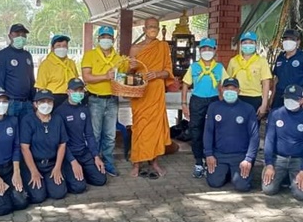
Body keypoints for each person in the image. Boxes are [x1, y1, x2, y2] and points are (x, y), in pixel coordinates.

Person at [129, 17, 174, 178]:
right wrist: (131, 67)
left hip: (156, 90)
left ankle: (154, 162)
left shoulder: (162, 46)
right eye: (150, 27)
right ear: (144, 29)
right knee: (139, 127)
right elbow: (128, 74)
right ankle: (136, 163)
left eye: (155, 27)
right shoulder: (135, 48)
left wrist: (157, 74)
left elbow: (168, 70)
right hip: (141, 92)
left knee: (155, 128)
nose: (153, 29)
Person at [181, 38, 228, 178]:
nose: (206, 52)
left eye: (209, 49)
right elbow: (185, 84)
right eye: (203, 49)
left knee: (213, 131)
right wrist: (184, 104)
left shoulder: (219, 67)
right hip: (197, 101)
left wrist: (225, 103)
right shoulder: (194, 67)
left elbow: (225, 86)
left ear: (215, 50)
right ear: (199, 51)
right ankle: (198, 162)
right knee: (196, 131)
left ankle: (210, 160)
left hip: (214, 101)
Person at [203, 78, 259, 192]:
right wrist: (209, 154)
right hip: (219, 155)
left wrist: (248, 159)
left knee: (242, 187)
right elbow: (208, 131)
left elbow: (254, 136)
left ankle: (234, 173)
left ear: (239, 91)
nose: (230, 91)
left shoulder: (248, 108)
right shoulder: (214, 107)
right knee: (214, 183)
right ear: (222, 90)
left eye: (233, 89)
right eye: (227, 88)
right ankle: (227, 172)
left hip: (240, 156)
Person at [262, 84, 303, 200]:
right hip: (278, 159)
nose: (290, 101)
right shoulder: (276, 114)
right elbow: (269, 140)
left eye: (294, 99)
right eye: (287, 98)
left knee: (301, 195)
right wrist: (269, 164)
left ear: (301, 100)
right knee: (268, 190)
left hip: (298, 160)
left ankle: (291, 179)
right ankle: (280, 177)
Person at [81, 26, 122, 176]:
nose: (106, 40)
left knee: (110, 135)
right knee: (95, 134)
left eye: (109, 37)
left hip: (112, 100)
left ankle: (109, 163)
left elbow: (122, 77)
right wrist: (105, 76)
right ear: (98, 39)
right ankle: (94, 163)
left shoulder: (118, 58)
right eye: (103, 37)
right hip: (95, 100)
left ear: (113, 39)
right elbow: (86, 77)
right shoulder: (90, 55)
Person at [56, 78, 107, 193]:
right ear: (68, 91)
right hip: (69, 155)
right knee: (78, 188)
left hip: (84, 153)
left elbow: (89, 135)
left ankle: (82, 174)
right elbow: (61, 142)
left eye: (81, 90)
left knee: (101, 180)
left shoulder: (84, 109)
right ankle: (71, 175)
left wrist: (96, 156)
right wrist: (72, 161)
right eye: (75, 90)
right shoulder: (59, 112)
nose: (78, 93)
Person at [20, 89, 67, 203]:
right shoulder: (28, 120)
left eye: (49, 102)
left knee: (59, 193)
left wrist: (57, 167)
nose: (46, 105)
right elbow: (24, 147)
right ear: (35, 104)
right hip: (34, 164)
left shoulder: (57, 119)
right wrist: (33, 171)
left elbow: (62, 144)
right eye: (42, 102)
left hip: (51, 164)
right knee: (38, 197)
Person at [0, 23, 35, 119]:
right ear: (10, 36)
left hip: (27, 103)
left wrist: (34, 99)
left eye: (23, 34)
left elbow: (31, 79)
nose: (21, 36)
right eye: (17, 33)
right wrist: (1, 103)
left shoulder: (27, 55)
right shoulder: (1, 55)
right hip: (11, 103)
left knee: (27, 131)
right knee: (11, 131)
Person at [227, 31, 272, 117]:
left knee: (252, 127)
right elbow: (228, 82)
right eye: (245, 43)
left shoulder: (261, 61)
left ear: (255, 44)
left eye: (251, 43)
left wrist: (264, 104)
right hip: (237, 97)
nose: (248, 45)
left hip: (255, 98)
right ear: (241, 44)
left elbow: (266, 83)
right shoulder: (233, 61)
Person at [271, 29, 303, 110]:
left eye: (292, 39)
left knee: (295, 121)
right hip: (279, 96)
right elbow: (276, 79)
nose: (288, 41)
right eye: (286, 39)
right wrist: (271, 98)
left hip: (296, 96)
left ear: (298, 42)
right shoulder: (280, 57)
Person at [35, 35, 79, 109]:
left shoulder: (71, 63)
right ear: (52, 48)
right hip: (53, 98)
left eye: (64, 46)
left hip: (70, 98)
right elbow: (41, 87)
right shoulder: (46, 64)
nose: (62, 48)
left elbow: (76, 81)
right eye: (58, 46)